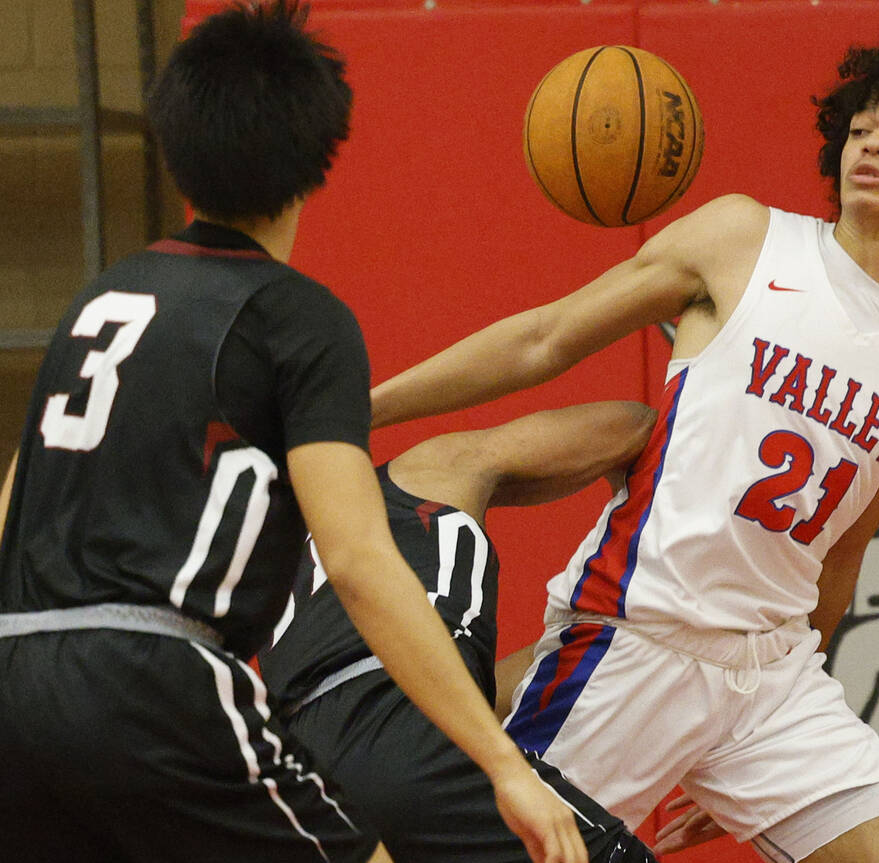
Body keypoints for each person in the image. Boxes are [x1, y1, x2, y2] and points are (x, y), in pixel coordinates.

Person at [367, 18, 879, 863]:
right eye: (863, 128)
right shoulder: (743, 239)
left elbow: (839, 554)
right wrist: (364, 408)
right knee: (464, 852)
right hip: (638, 643)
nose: (872, 145)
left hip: (773, 678)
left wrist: (739, 760)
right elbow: (540, 340)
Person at [0, 3, 585, 862]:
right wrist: (504, 761)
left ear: (175, 143)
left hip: (15, 678)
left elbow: (14, 505)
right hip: (157, 680)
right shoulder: (298, 319)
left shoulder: (100, 300)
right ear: (318, 160)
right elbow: (355, 560)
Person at [258, 400, 660, 862]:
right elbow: (633, 425)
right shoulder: (414, 477)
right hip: (406, 738)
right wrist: (631, 516)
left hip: (308, 788)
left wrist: (597, 644)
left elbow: (407, 694)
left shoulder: (274, 581)